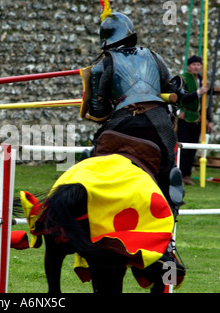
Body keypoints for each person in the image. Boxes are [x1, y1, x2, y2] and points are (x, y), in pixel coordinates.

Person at [80, 11, 185, 292]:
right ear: (131, 33)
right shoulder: (153, 56)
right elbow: (169, 88)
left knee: (92, 161)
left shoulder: (104, 65)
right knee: (167, 175)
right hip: (158, 122)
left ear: (106, 41)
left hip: (122, 121)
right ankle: (168, 243)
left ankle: (85, 226)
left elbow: (99, 111)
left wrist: (94, 100)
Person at [176, 55, 211, 185]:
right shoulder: (184, 78)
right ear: (189, 66)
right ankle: (178, 174)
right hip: (185, 117)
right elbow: (182, 97)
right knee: (183, 147)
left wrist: (208, 119)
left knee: (193, 149)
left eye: (198, 65)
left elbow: (205, 102)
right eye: (194, 65)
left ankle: (187, 175)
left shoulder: (202, 79)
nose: (196, 67)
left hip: (197, 118)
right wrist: (198, 92)